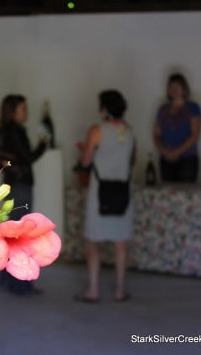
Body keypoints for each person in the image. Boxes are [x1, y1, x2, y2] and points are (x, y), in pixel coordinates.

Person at [75, 90, 135, 303]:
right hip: (122, 190)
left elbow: (85, 162)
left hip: (99, 190)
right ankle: (119, 290)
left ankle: (93, 289)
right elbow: (131, 160)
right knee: (121, 243)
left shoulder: (96, 131)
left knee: (93, 242)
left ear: (104, 109)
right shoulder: (128, 131)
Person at [0, 94, 47, 295]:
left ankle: (7, 280)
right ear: (13, 111)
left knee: (12, 234)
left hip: (12, 186)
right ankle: (20, 284)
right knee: (21, 237)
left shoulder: (6, 131)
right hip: (20, 187)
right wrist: (43, 144)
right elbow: (28, 158)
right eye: (23, 108)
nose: (27, 112)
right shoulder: (16, 132)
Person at [153, 73, 201, 183]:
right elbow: (156, 134)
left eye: (177, 86)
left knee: (186, 193)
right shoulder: (163, 109)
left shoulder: (193, 107)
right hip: (166, 158)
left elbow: (194, 136)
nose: (174, 89)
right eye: (171, 87)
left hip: (187, 158)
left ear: (184, 88)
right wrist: (164, 151)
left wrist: (176, 152)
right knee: (167, 192)